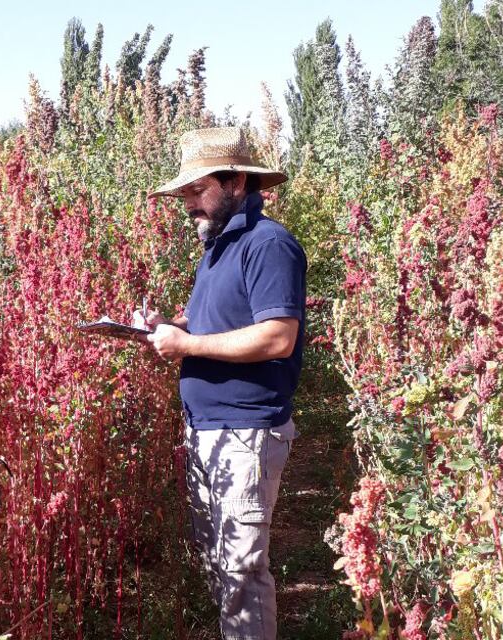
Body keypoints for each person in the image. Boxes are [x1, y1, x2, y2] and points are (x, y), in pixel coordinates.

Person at [133, 126, 306, 640]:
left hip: (245, 433)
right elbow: (217, 321)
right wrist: (169, 326)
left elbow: (278, 336)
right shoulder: (218, 246)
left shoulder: (268, 244)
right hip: (208, 431)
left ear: (236, 182)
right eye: (184, 193)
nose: (189, 204)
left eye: (197, 190)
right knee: (220, 569)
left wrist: (186, 346)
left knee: (242, 577)